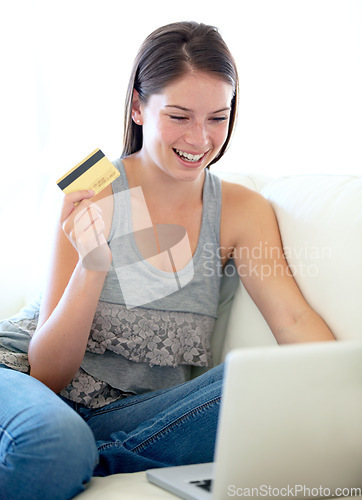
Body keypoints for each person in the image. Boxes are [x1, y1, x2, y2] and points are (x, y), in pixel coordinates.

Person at [0, 21, 335, 499]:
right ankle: (72, 454)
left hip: (131, 417)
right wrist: (93, 264)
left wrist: (345, 383)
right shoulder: (95, 189)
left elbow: (295, 319)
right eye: (179, 116)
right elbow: (48, 372)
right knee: (56, 441)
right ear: (138, 106)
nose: (200, 139)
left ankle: (86, 457)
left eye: (218, 117)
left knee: (257, 384)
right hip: (25, 384)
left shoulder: (240, 210)